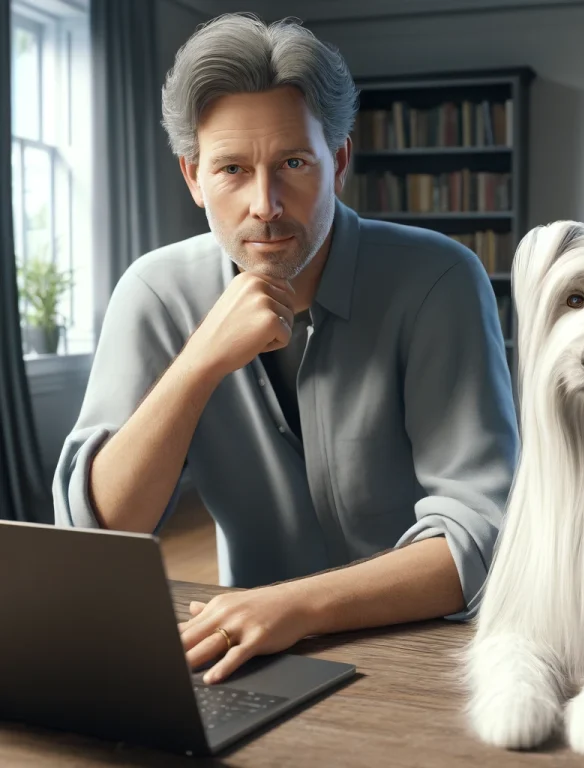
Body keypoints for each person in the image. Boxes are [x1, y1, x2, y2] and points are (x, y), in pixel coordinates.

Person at [53, 13, 519, 685]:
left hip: (429, 648)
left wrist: (294, 606)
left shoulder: (440, 279)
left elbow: (485, 532)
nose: (265, 204)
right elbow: (97, 533)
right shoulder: (154, 291)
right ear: (192, 176)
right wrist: (200, 361)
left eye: (293, 163)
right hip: (251, 655)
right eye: (232, 170)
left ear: (340, 162)